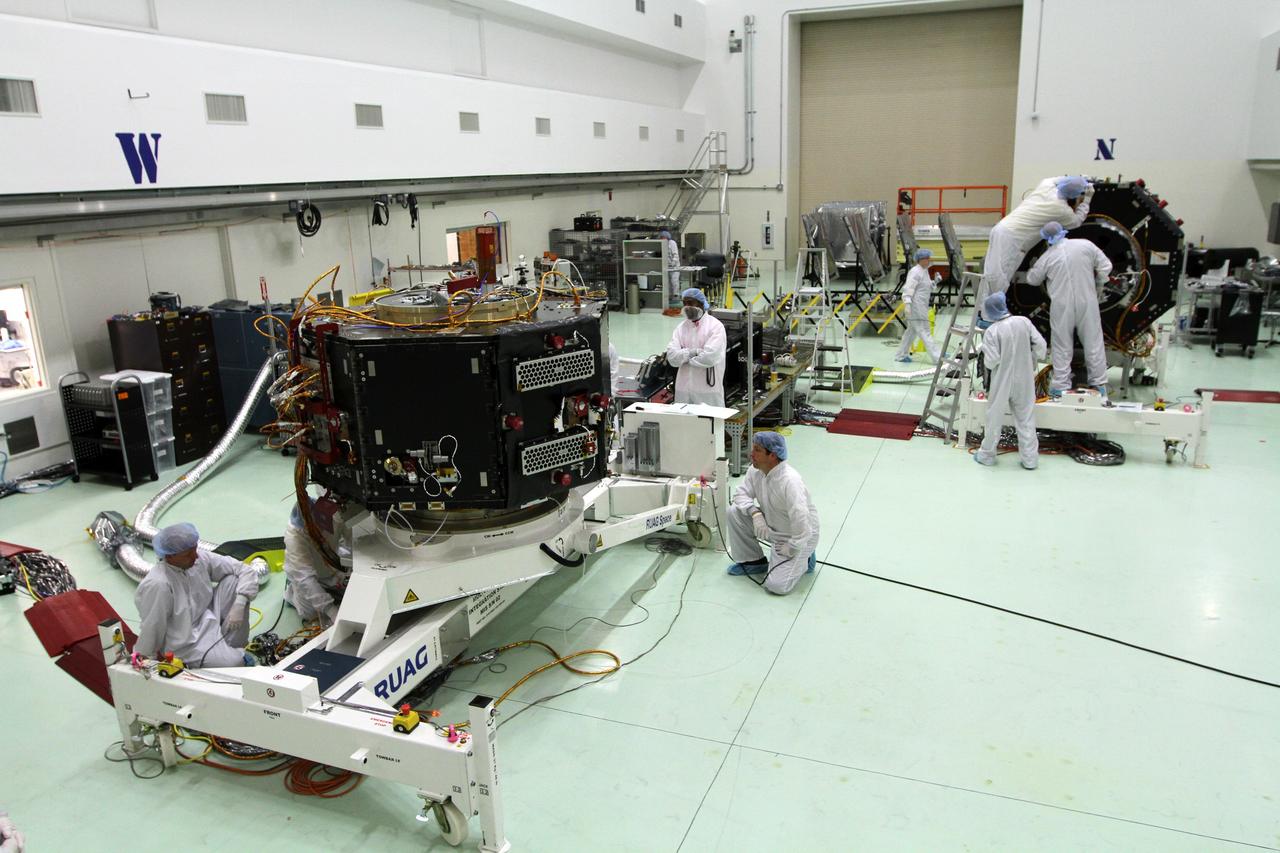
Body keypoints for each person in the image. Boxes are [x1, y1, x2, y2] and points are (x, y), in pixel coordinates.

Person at [134, 522, 260, 667]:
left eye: (195, 550)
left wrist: (240, 603)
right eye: (188, 554)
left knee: (235, 579)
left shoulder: (198, 559)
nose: (195, 556)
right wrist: (144, 659)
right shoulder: (158, 584)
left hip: (209, 617)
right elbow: (152, 624)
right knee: (235, 663)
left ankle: (232, 646)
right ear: (170, 556)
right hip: (187, 641)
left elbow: (244, 570)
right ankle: (227, 655)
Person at [726, 432, 821, 595]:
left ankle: (807, 557)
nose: (751, 454)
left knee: (776, 586)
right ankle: (753, 561)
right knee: (734, 512)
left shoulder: (790, 481)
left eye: (757, 450)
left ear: (773, 455)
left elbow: (802, 519)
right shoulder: (755, 471)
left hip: (798, 536)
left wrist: (793, 547)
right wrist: (755, 513)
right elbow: (740, 494)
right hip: (772, 526)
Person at [1026, 221, 1113, 398]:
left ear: (1047, 239)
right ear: (1063, 233)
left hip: (1061, 305)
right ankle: (1098, 384)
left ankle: (1060, 386)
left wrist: (1033, 265)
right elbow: (1106, 267)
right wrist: (1099, 283)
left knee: (1061, 345)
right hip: (1087, 301)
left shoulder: (1047, 257)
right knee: (1093, 343)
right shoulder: (1085, 245)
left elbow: (1032, 279)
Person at [983, 176, 1094, 295]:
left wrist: (1079, 178)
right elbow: (1076, 221)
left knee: (991, 272)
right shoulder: (1061, 209)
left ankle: (986, 308)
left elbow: (1055, 179)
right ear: (1074, 196)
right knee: (1000, 277)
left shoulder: (1046, 186)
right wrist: (1086, 201)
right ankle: (991, 310)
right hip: (1013, 240)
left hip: (1000, 228)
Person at [974, 292, 1047, 469]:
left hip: (1002, 380)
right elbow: (1041, 346)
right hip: (1024, 379)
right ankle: (1030, 460)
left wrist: (982, 347)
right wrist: (1033, 358)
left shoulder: (992, 331)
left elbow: (991, 362)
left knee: (994, 417)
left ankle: (987, 455)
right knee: (1026, 418)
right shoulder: (1024, 322)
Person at [283, 500, 349, 627]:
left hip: (332, 566)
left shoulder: (332, 516)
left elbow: (353, 539)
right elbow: (305, 578)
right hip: (306, 574)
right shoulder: (294, 537)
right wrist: (331, 610)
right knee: (310, 614)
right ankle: (291, 592)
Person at [665, 287, 727, 407]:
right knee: (683, 425)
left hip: (708, 392)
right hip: (683, 391)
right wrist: (694, 353)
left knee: (710, 424)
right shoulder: (681, 328)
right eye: (684, 303)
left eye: (690, 303)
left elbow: (709, 357)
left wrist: (683, 357)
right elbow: (672, 358)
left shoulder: (715, 327)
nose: (687, 307)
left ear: (701, 304)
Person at [894, 248, 942, 363]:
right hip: (915, 307)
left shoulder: (924, 271)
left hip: (920, 305)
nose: (929, 261)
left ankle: (900, 355)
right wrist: (907, 303)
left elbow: (925, 287)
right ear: (920, 260)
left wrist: (935, 281)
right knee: (924, 331)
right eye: (926, 259)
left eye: (929, 258)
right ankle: (937, 358)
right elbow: (908, 288)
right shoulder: (915, 271)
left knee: (911, 331)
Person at [660, 229, 681, 313]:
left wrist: (673, 263)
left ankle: (676, 296)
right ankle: (668, 297)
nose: (662, 239)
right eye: (661, 237)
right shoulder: (662, 243)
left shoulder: (672, 243)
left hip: (674, 266)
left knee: (674, 281)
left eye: (663, 237)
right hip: (666, 266)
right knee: (667, 282)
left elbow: (675, 254)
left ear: (667, 237)